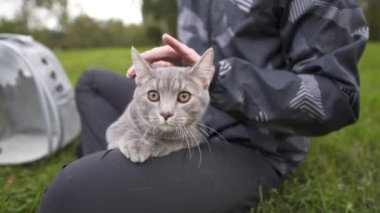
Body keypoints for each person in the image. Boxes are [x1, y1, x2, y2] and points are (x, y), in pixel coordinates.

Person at [39, 0, 368, 212]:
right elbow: (194, 59)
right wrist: (178, 77)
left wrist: (219, 79)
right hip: (187, 115)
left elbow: (336, 93)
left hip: (253, 143)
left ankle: (106, 176)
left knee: (69, 195)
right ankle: (113, 169)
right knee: (92, 82)